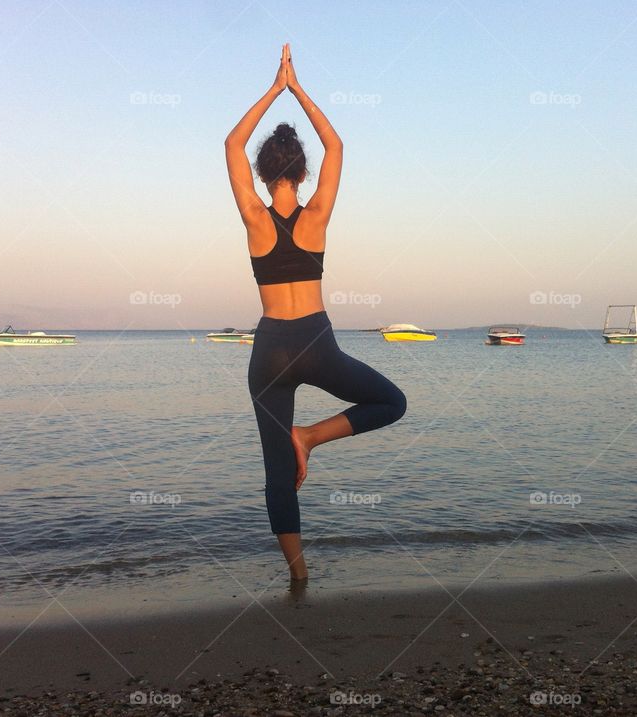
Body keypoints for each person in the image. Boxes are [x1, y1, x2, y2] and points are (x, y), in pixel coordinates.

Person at [224, 44, 407, 585]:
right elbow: (336, 143)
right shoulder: (318, 216)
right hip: (315, 343)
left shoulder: (254, 217)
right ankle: (311, 436)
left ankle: (299, 576)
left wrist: (273, 90)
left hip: (269, 349)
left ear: (263, 175)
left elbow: (232, 141)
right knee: (391, 401)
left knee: (276, 475)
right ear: (302, 175)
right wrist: (298, 90)